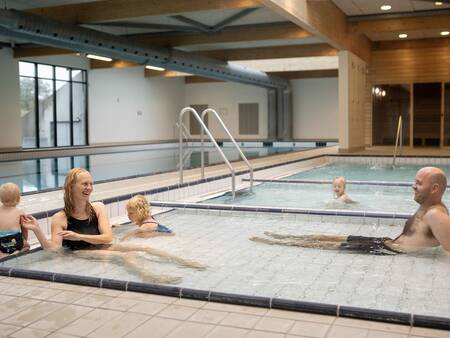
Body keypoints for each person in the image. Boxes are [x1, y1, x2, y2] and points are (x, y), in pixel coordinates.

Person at [21, 168, 205, 283]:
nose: (89, 187)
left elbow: (107, 238)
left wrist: (79, 235)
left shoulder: (98, 207)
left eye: (91, 184)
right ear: (71, 187)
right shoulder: (60, 218)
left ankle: (186, 263)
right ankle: (151, 278)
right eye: (84, 184)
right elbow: (54, 249)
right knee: (125, 256)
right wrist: (37, 230)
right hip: (81, 251)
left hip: (101, 244)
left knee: (145, 247)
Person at [251, 167, 450, 255]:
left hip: (390, 251)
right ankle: (280, 237)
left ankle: (281, 241)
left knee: (325, 246)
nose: (413, 186)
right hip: (387, 244)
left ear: (434, 189)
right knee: (331, 238)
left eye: (418, 183)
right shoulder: (426, 208)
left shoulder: (435, 214)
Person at [0, 183, 29, 257]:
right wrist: (24, 240)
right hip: (15, 241)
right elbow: (25, 228)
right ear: (18, 198)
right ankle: (17, 252)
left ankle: (3, 254)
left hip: (1, 242)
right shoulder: (20, 212)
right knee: (27, 246)